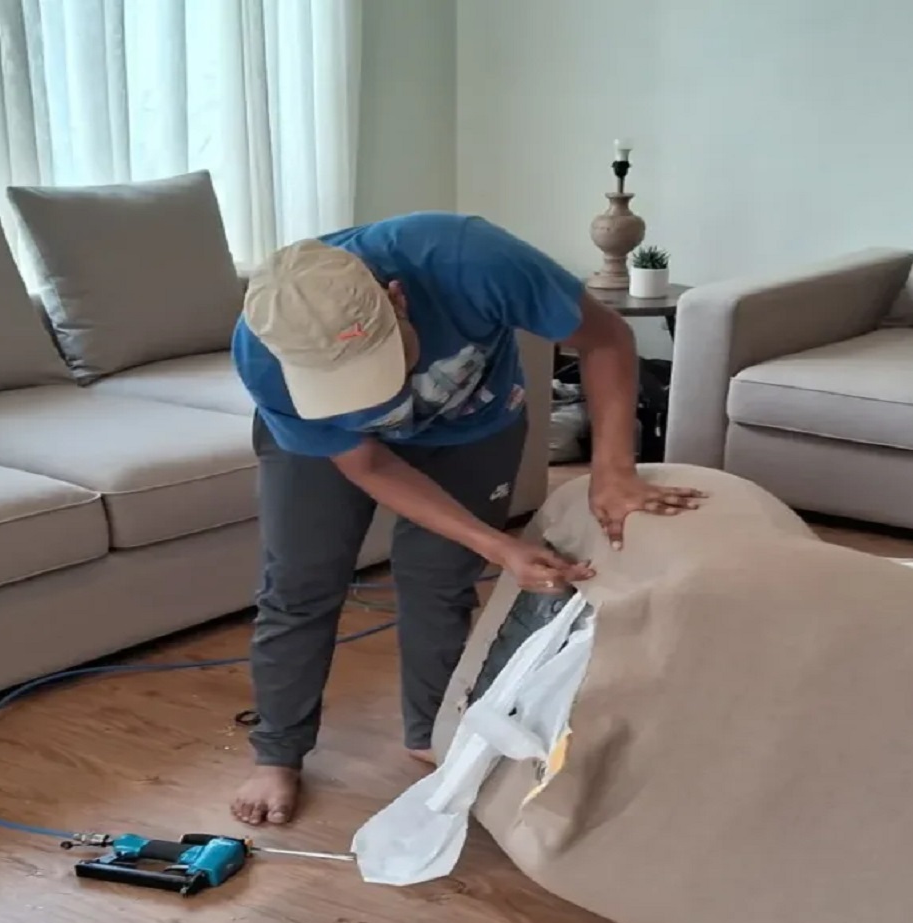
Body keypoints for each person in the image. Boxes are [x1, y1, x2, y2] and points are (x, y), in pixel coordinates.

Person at [229, 211, 705, 825]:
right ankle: (277, 755)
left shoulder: (469, 259)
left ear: (397, 299)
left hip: (471, 426)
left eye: (382, 365)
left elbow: (606, 336)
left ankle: (433, 732)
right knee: (301, 581)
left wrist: (613, 469)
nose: (379, 399)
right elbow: (367, 462)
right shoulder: (264, 355)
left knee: (438, 578)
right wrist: (497, 546)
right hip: (339, 453)